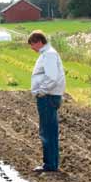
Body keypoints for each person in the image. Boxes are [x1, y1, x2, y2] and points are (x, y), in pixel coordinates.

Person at [28, 30, 65, 172]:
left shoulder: (49, 54)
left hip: (48, 96)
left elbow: (52, 77)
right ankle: (51, 163)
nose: (32, 48)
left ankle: (50, 165)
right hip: (49, 96)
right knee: (49, 130)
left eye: (32, 44)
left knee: (47, 131)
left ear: (38, 41)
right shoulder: (48, 53)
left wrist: (40, 92)